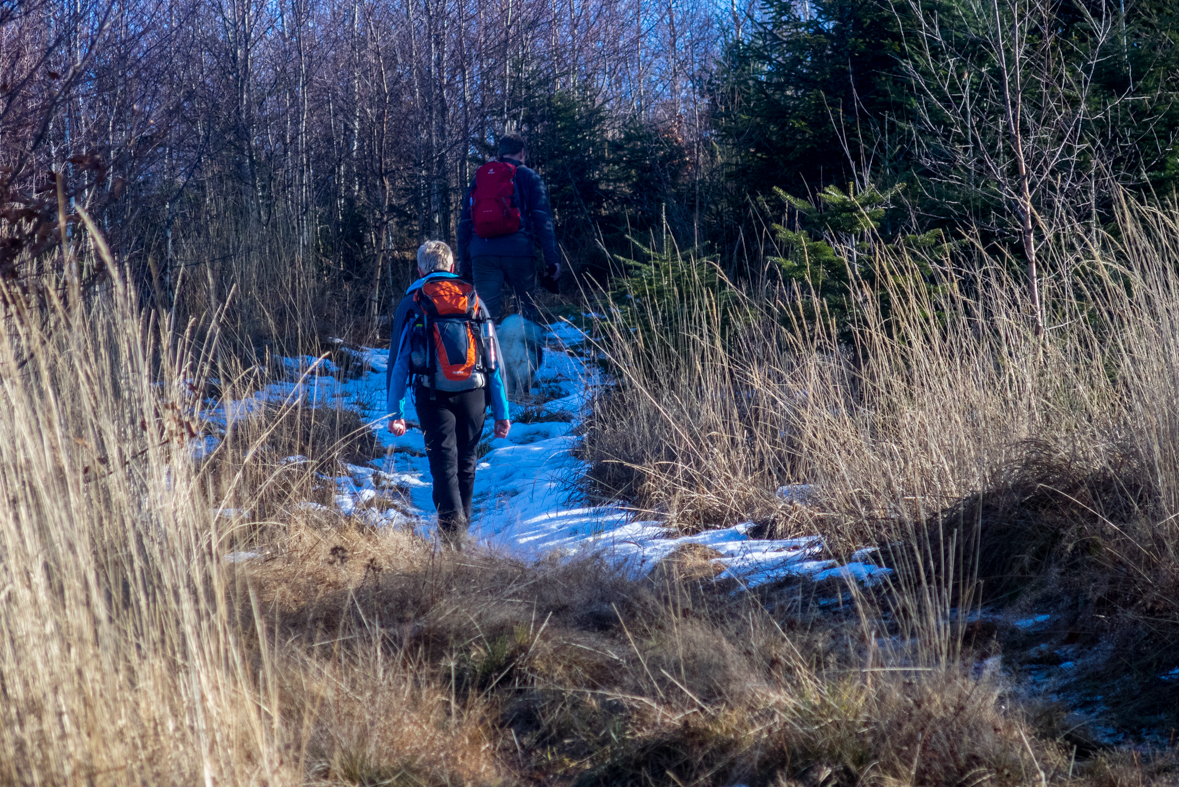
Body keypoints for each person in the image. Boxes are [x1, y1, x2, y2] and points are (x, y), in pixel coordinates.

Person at [386, 240, 511, 548]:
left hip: (432, 395)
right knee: (466, 463)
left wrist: (396, 412)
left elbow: (399, 362)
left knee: (443, 467)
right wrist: (502, 411)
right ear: (453, 267)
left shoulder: (413, 301)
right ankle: (460, 536)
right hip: (475, 395)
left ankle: (453, 544)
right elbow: (493, 359)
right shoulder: (474, 299)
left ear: (419, 269)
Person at [457, 133, 561, 323]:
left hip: (482, 253)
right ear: (522, 153)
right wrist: (551, 259)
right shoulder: (530, 177)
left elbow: (464, 223)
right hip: (519, 252)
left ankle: (486, 353)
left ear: (499, 153)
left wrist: (464, 263)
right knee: (526, 312)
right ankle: (527, 352)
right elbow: (542, 218)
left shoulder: (480, 178)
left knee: (485, 317)